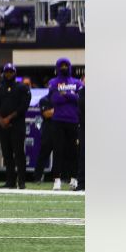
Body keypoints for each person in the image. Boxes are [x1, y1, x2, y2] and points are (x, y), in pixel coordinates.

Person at [47, 58, 84, 191]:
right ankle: (57, 180)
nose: (63, 67)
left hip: (73, 121)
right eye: (61, 65)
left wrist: (65, 94)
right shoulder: (53, 82)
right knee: (58, 150)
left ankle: (74, 179)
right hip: (58, 120)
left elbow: (79, 98)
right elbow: (55, 99)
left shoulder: (77, 82)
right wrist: (71, 95)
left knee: (73, 151)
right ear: (57, 67)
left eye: (65, 65)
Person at [0, 63, 31, 189]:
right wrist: (1, 120)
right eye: (7, 72)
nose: (9, 74)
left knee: (19, 153)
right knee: (7, 154)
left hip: (17, 125)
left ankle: (22, 181)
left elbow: (23, 106)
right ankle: (10, 181)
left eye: (11, 71)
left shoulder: (22, 88)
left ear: (15, 73)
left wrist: (9, 118)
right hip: (3, 126)